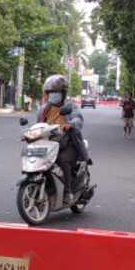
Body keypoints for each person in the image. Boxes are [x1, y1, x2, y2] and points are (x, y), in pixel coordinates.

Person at [37, 74, 91, 204]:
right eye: (50, 92)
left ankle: (68, 191)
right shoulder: (44, 109)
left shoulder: (70, 106)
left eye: (55, 92)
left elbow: (78, 119)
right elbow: (38, 125)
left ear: (63, 93)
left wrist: (70, 125)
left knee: (62, 160)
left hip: (68, 143)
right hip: (49, 143)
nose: (52, 95)